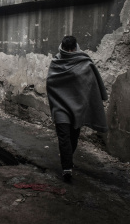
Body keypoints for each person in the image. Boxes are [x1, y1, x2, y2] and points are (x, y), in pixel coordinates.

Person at [46, 35, 108, 182]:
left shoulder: (81, 62)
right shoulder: (61, 62)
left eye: (70, 49)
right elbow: (51, 83)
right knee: (65, 137)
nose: (69, 51)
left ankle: (68, 160)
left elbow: (90, 85)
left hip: (75, 107)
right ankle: (67, 168)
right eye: (67, 49)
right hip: (63, 107)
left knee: (72, 137)